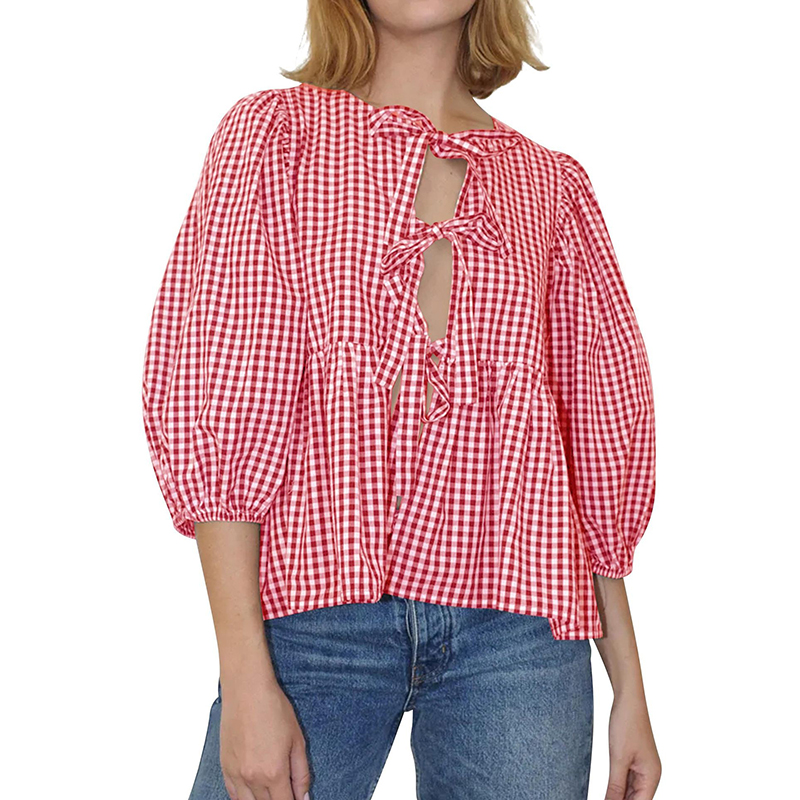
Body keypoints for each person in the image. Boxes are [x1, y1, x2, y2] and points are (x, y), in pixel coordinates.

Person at [141, 1, 662, 798]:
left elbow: (585, 440)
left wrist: (630, 687)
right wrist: (243, 672)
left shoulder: (551, 186)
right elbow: (223, 387)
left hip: (521, 635)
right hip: (314, 622)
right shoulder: (276, 137)